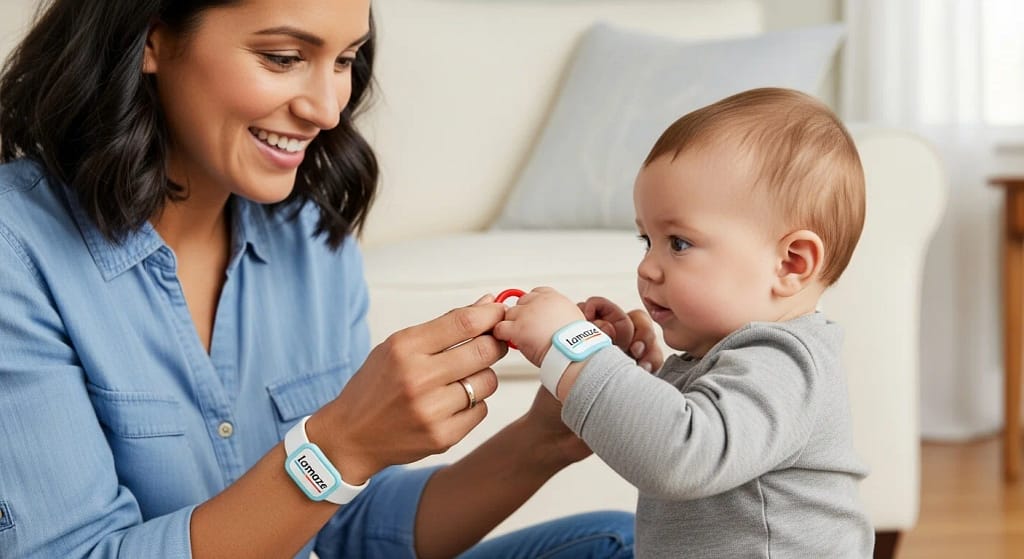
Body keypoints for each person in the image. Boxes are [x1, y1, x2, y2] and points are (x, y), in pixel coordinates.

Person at [0, 1, 637, 558]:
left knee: (619, 540)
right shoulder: (18, 251)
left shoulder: (310, 234)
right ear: (150, 37)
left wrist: (545, 439)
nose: (328, 109)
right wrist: (338, 447)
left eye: (345, 60)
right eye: (282, 57)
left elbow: (349, 530)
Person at [494, 87, 875, 558]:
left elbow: (682, 454)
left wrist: (574, 347)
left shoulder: (785, 362)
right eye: (645, 240)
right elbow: (678, 428)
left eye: (677, 243)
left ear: (791, 264)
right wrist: (629, 369)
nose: (647, 267)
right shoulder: (727, 357)